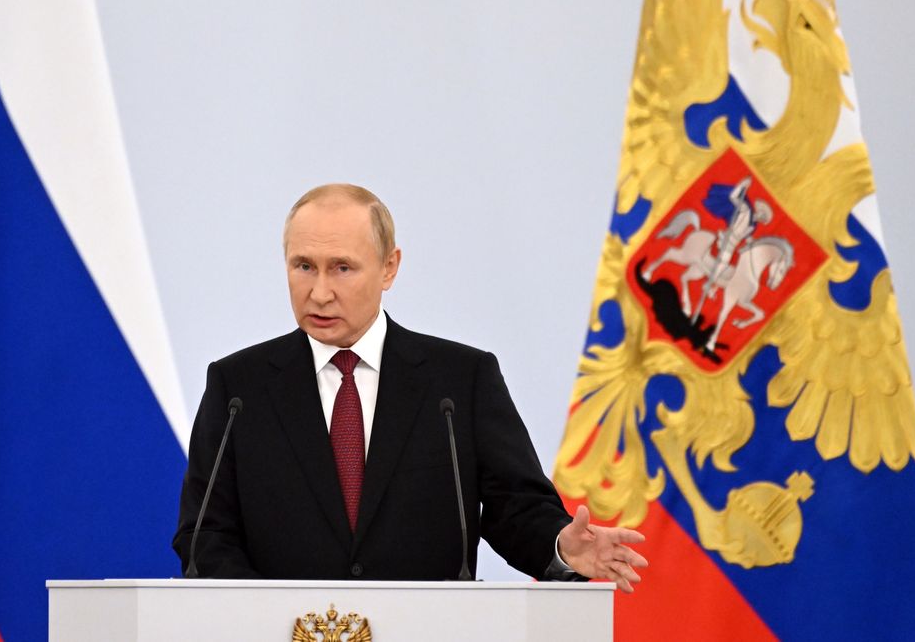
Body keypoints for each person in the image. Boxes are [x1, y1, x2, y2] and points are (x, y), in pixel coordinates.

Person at [173, 183, 648, 590]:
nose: (318, 292)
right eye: (303, 266)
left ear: (389, 268)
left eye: (341, 267)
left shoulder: (460, 381)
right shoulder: (238, 388)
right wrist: (276, 619)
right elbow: (204, 535)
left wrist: (561, 546)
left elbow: (515, 509)